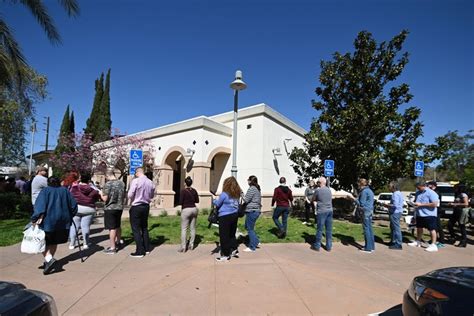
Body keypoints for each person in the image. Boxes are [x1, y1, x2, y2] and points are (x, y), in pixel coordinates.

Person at [31, 177, 78, 275]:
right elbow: (73, 206)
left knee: (42, 242)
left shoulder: (45, 191)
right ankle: (48, 261)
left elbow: (40, 207)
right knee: (53, 242)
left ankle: (49, 259)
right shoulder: (65, 191)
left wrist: (34, 218)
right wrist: (69, 216)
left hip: (49, 221)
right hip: (62, 221)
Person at [128, 167, 155, 258]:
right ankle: (146, 248)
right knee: (144, 227)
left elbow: (130, 194)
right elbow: (152, 195)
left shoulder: (136, 181)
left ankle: (139, 251)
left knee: (135, 229)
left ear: (137, 172)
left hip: (136, 206)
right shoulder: (150, 182)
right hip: (146, 206)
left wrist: (133, 198)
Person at [68, 174, 101, 250]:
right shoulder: (93, 189)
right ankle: (86, 243)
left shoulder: (74, 188)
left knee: (74, 226)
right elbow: (97, 196)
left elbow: (70, 197)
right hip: (89, 209)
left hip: (77, 209)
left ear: (80, 179)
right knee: (85, 226)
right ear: (89, 181)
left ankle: (72, 244)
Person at [213, 176, 241, 261]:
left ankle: (225, 254)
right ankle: (234, 249)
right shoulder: (237, 194)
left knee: (224, 236)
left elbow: (218, 204)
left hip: (224, 216)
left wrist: (213, 200)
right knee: (232, 234)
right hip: (234, 215)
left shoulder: (224, 194)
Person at [408, 182, 439, 252]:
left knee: (432, 229)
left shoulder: (431, 193)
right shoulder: (418, 193)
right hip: (420, 214)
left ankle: (433, 245)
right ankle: (418, 241)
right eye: (417, 187)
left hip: (429, 214)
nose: (417, 188)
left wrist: (421, 205)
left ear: (423, 186)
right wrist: (413, 203)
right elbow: (417, 202)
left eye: (418, 187)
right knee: (419, 228)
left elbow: (435, 204)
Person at [100, 170, 125, 254]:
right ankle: (118, 241)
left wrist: (100, 193)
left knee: (112, 228)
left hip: (110, 208)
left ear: (107, 176)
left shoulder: (108, 184)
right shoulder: (122, 183)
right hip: (119, 207)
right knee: (118, 225)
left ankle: (112, 247)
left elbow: (105, 199)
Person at [347, 178, 375, 253]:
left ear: (360, 184)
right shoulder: (369, 190)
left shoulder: (364, 192)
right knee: (369, 229)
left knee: (366, 229)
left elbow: (361, 203)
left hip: (365, 211)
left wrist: (353, 199)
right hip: (370, 210)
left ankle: (368, 248)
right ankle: (371, 246)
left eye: (358, 184)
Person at [310, 177, 333, 252]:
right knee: (328, 229)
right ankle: (329, 246)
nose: (317, 184)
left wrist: (314, 201)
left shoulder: (318, 190)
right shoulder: (329, 190)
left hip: (322, 211)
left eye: (318, 183)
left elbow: (313, 199)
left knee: (320, 229)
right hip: (330, 210)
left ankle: (317, 246)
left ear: (320, 183)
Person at [178, 176, 199, 253]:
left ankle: (183, 247)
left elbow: (180, 202)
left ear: (185, 183)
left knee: (184, 229)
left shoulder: (183, 191)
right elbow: (197, 201)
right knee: (192, 228)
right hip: (194, 209)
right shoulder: (194, 190)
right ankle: (191, 245)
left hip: (186, 210)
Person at [242, 175, 262, 252]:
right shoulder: (257, 189)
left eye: (248, 180)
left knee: (250, 229)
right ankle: (256, 241)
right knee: (248, 227)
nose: (247, 181)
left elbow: (246, 200)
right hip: (255, 211)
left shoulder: (252, 189)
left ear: (251, 181)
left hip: (252, 211)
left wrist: (241, 194)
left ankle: (252, 247)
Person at [426, 181, 445, 246]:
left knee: (438, 226)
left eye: (429, 185)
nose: (428, 186)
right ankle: (434, 239)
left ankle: (442, 241)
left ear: (433, 186)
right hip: (433, 211)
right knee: (435, 226)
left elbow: (436, 203)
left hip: (437, 211)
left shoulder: (436, 192)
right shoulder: (432, 192)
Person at [387, 181, 404, 250]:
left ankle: (398, 243)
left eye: (389, 186)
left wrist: (386, 205)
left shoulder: (395, 194)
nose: (389, 188)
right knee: (393, 228)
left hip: (395, 213)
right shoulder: (399, 193)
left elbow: (395, 205)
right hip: (398, 212)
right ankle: (393, 241)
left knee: (396, 228)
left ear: (393, 187)